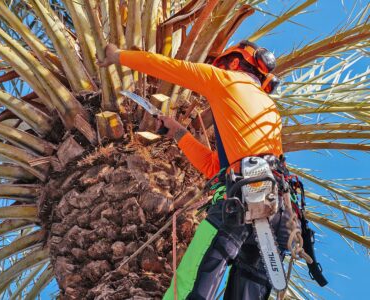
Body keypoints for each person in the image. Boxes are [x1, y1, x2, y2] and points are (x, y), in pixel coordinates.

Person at [97, 40, 290, 300]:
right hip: (278, 212)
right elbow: (215, 168)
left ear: (233, 63)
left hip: (240, 204)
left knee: (189, 286)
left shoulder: (226, 80)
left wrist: (118, 56)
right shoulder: (268, 110)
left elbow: (170, 68)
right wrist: (178, 132)